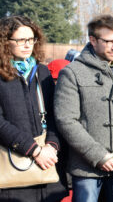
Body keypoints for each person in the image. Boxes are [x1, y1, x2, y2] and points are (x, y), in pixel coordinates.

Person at [54, 15, 113, 202]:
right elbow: (66, 120)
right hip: (86, 168)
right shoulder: (72, 73)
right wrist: (99, 156)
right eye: (109, 41)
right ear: (93, 40)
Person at [0, 16, 68, 201]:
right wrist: (34, 150)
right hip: (13, 171)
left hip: (48, 170)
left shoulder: (42, 72)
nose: (27, 45)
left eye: (31, 39)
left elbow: (56, 114)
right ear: (6, 42)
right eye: (21, 40)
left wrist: (52, 147)